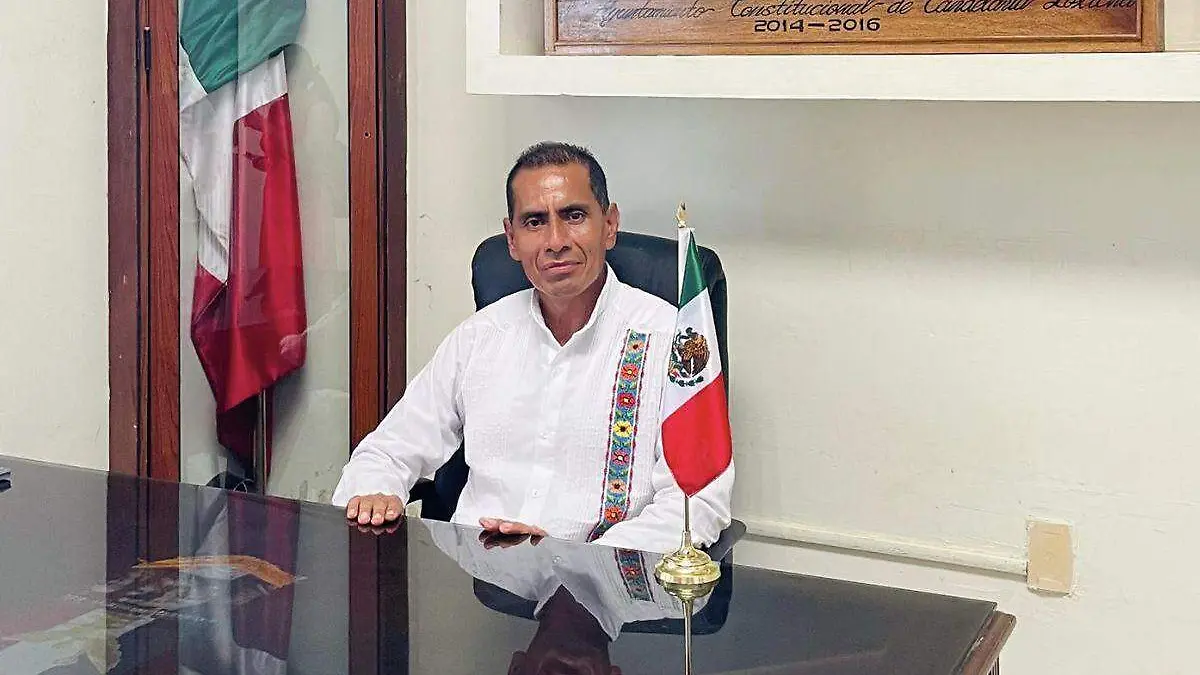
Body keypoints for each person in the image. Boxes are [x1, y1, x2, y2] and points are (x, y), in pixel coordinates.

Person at [330, 141, 734, 554]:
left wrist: (577, 562)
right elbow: (387, 451)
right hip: (476, 579)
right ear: (512, 239)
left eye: (574, 216)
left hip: (601, 584)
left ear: (609, 225)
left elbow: (697, 502)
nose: (555, 241)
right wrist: (375, 493)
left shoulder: (673, 342)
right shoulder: (479, 338)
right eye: (535, 222)